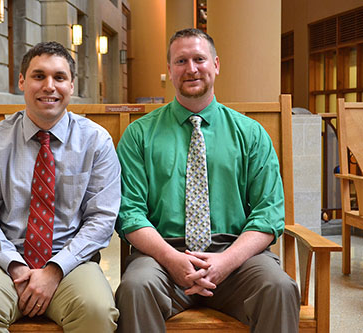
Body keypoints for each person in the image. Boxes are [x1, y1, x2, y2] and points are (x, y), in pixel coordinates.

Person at [115, 28, 300, 333]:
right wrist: (172, 259)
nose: (191, 69)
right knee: (135, 287)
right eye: (181, 61)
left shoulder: (251, 134)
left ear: (216, 64)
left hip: (237, 258)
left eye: (199, 59)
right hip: (162, 256)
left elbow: (268, 214)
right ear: (170, 71)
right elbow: (129, 212)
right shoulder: (140, 135)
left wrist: (225, 262)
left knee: (279, 287)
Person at [0, 41, 121, 332]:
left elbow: (102, 219)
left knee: (97, 311)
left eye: (59, 77)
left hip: (72, 263)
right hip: (2, 262)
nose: (49, 86)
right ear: (22, 81)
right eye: (38, 76)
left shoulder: (96, 141)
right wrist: (15, 266)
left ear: (71, 85)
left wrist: (55, 270)